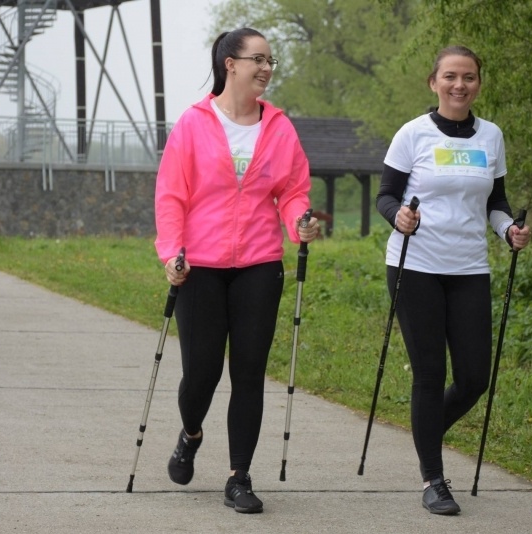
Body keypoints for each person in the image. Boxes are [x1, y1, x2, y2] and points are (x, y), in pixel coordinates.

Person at [154, 27, 319, 514]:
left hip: (259, 264)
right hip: (199, 266)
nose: (267, 69)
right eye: (258, 59)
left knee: (248, 372)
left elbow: (292, 190)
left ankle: (239, 477)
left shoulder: (280, 127)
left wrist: (299, 222)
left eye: (271, 61)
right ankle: (190, 433)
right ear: (230, 63)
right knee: (200, 374)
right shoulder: (193, 123)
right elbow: (171, 196)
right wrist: (172, 252)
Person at [376, 45, 531, 516]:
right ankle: (433, 479)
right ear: (434, 82)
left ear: (478, 83)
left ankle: (424, 433)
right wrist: (398, 217)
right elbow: (385, 196)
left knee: (473, 379)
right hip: (416, 265)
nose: (459, 85)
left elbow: (495, 203)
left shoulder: (491, 136)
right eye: (450, 76)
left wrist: (509, 230)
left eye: (468, 77)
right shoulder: (412, 134)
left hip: (468, 269)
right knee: (429, 374)